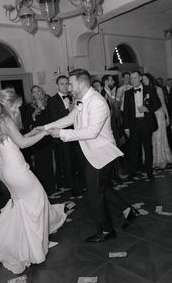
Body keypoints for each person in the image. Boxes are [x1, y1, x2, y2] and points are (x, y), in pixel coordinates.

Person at [38, 69, 139, 243]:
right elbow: (71, 118)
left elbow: (92, 132)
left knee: (94, 193)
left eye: (71, 84)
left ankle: (106, 231)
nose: (69, 87)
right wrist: (46, 128)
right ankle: (128, 210)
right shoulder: (80, 99)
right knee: (102, 188)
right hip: (92, 152)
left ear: (82, 84)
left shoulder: (97, 102)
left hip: (103, 153)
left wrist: (61, 134)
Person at [0, 88, 66, 274]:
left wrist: (33, 131)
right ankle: (36, 246)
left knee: (22, 205)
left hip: (6, 169)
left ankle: (35, 239)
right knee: (38, 200)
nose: (18, 109)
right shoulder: (6, 119)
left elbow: (15, 140)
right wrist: (44, 133)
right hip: (17, 170)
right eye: (17, 106)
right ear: (9, 104)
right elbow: (22, 144)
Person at [48, 75, 83, 197]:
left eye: (66, 83)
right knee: (67, 162)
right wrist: (68, 110)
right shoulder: (52, 100)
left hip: (76, 133)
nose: (65, 86)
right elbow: (54, 118)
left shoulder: (74, 96)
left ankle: (82, 183)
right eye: (62, 84)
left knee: (78, 159)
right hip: (62, 135)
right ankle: (72, 187)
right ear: (57, 86)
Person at [123, 70, 161, 180]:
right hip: (133, 124)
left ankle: (149, 171)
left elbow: (158, 104)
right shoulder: (128, 93)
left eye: (135, 78)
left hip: (146, 122)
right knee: (134, 148)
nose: (133, 80)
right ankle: (133, 171)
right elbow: (125, 112)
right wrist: (126, 127)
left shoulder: (149, 89)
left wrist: (147, 109)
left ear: (140, 78)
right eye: (131, 78)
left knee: (148, 147)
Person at [24, 85, 56, 194]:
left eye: (38, 91)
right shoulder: (30, 107)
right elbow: (27, 124)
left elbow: (53, 119)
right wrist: (33, 115)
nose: (36, 94)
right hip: (37, 139)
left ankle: (52, 187)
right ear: (32, 94)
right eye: (34, 92)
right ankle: (43, 188)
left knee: (51, 162)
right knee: (39, 163)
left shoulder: (49, 103)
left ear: (41, 92)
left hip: (48, 137)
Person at [142, 73, 172, 169]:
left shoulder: (157, 89)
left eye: (145, 79)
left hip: (158, 115)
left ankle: (160, 160)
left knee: (159, 137)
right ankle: (151, 160)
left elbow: (163, 103)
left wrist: (167, 116)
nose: (143, 81)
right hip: (148, 116)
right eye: (142, 79)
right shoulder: (142, 90)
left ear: (150, 79)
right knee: (150, 138)